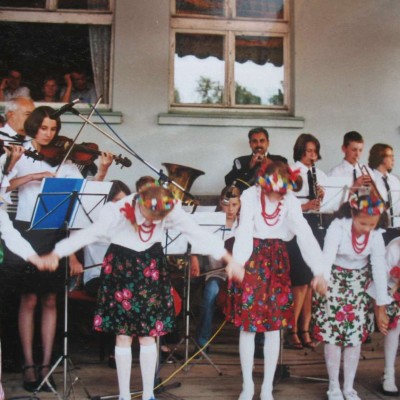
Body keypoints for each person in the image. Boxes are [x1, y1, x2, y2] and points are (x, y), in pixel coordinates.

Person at [40, 182, 240, 400]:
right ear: (140, 204)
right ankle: (124, 396)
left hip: (150, 267)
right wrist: (57, 253)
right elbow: (89, 234)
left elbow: (197, 233)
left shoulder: (169, 207)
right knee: (123, 335)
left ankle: (147, 394)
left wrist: (228, 258)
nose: (151, 222)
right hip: (122, 267)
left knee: (148, 335)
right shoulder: (117, 210)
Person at [7, 106, 112, 392]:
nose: (49, 134)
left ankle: (46, 364)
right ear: (33, 127)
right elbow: (4, 186)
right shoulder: (20, 154)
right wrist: (31, 177)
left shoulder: (65, 160)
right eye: (44, 128)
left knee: (51, 301)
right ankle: (29, 364)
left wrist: (102, 170)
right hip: (28, 232)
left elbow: (85, 195)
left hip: (55, 233)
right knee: (29, 300)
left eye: (53, 129)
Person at [226, 160, 327, 400]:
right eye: (277, 189)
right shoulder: (250, 196)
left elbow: (304, 233)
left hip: (277, 260)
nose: (280, 194)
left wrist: (319, 270)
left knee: (274, 327)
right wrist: (238, 262)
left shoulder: (289, 200)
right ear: (265, 184)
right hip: (252, 259)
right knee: (248, 327)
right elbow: (244, 231)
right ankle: (247, 386)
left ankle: (267, 388)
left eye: (284, 190)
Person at [312, 193, 391, 400]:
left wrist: (381, 305)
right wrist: (322, 279)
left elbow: (379, 268)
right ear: (353, 214)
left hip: (359, 283)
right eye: (363, 223)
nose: (367, 228)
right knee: (333, 336)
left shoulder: (376, 235)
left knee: (354, 337)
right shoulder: (338, 227)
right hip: (335, 281)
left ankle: (349, 387)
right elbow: (327, 256)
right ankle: (333, 387)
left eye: (372, 224)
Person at [285, 133, 328, 350]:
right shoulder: (291, 172)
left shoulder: (319, 174)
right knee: (300, 281)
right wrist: (305, 206)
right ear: (300, 151)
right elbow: (284, 206)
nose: (312, 156)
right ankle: (291, 330)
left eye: (315, 152)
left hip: (315, 225)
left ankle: (305, 329)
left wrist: (323, 197)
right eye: (309, 151)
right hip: (296, 227)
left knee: (310, 282)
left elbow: (329, 205)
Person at [191, 185, 241, 355]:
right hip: (217, 273)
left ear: (240, 204)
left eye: (234, 205)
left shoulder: (244, 223)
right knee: (209, 294)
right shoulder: (210, 222)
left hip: (239, 274)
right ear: (221, 203)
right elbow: (195, 238)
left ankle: (260, 341)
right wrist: (194, 257)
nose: (230, 209)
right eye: (226, 204)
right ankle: (202, 342)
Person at [225, 127, 287, 193]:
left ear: (268, 143)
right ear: (250, 144)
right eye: (254, 141)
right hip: (247, 198)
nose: (258, 144)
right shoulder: (240, 161)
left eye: (262, 141)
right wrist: (249, 168)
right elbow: (228, 182)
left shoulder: (280, 160)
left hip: (273, 197)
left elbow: (287, 182)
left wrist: (272, 165)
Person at [380, 237, 400, 396]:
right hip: (394, 292)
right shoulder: (395, 246)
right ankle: (388, 373)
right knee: (395, 325)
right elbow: (383, 277)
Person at [368, 143, 400, 231]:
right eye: (390, 156)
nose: (393, 159)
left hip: (398, 226)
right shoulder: (369, 180)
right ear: (381, 158)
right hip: (378, 228)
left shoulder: (395, 180)